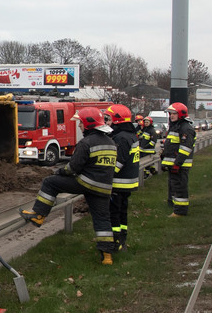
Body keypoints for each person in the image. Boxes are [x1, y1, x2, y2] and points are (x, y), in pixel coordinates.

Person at [20, 107, 118, 265]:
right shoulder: (111, 143)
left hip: (85, 183)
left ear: (87, 124)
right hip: (104, 188)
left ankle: (38, 215)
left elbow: (73, 168)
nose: (79, 126)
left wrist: (59, 171)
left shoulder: (86, 143)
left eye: (80, 123)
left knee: (50, 182)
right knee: (102, 220)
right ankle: (107, 255)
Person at [105, 104, 140, 253]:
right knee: (122, 212)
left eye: (108, 119)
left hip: (118, 184)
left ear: (117, 120)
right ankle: (122, 238)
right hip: (127, 183)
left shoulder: (121, 138)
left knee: (114, 214)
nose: (106, 122)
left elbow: (117, 163)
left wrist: (103, 175)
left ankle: (117, 242)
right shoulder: (131, 135)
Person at [162, 102, 196, 217]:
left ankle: (180, 212)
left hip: (180, 165)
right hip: (174, 164)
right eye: (170, 114)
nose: (171, 116)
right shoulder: (176, 126)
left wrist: (177, 163)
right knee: (175, 187)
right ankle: (176, 208)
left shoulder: (185, 128)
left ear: (181, 114)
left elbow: (185, 148)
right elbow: (171, 146)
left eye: (174, 113)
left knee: (180, 187)